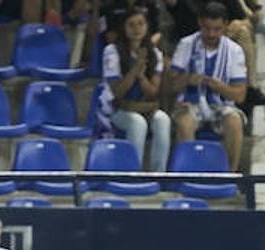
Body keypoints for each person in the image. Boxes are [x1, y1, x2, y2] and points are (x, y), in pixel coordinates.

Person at [168, 2, 248, 172]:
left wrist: (221, 88)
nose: (211, 34)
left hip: (221, 105)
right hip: (190, 102)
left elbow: (239, 95)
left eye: (217, 29)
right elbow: (170, 86)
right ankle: (187, 176)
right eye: (207, 28)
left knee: (234, 122)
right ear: (199, 23)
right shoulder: (186, 44)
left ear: (226, 25)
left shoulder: (235, 51)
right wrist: (187, 79)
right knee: (184, 122)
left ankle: (228, 177)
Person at [99, 5, 170, 171]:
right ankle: (132, 175)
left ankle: (158, 175)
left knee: (163, 120)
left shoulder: (155, 54)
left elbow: (153, 92)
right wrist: (135, 70)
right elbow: (118, 92)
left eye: (140, 24)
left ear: (147, 27)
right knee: (138, 124)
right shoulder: (112, 51)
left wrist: (141, 76)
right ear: (123, 28)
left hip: (143, 106)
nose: (137, 29)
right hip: (115, 109)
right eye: (131, 24)